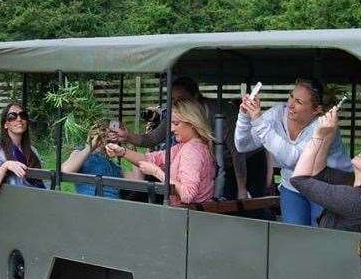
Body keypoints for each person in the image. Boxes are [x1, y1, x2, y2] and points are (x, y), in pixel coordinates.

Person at [109, 77, 256, 200]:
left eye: (181, 99)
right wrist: (123, 145)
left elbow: (238, 152)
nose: (171, 128)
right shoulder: (182, 137)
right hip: (203, 171)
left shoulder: (219, 115)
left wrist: (242, 189)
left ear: (195, 98)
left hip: (239, 164)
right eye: (173, 99)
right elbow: (152, 142)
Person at [235, 79, 352, 226]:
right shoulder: (277, 114)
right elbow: (242, 145)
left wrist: (258, 121)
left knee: (320, 236)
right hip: (293, 186)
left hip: (327, 187)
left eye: (299, 102)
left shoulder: (324, 125)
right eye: (291, 96)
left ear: (316, 110)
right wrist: (244, 116)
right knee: (294, 237)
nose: (290, 104)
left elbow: (292, 158)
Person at [106, 98, 215, 206]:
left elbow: (187, 195)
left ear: (192, 123)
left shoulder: (192, 151)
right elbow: (151, 159)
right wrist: (122, 152)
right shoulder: (186, 146)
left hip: (189, 215)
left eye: (176, 124)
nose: (171, 129)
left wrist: (156, 172)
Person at [0, 102, 46, 198]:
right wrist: (5, 166)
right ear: (5, 124)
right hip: (11, 203)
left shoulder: (33, 151)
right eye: (12, 116)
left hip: (34, 201)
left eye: (22, 115)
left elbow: (44, 183)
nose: (19, 119)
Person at [61, 120, 123, 198]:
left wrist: (129, 146)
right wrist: (92, 146)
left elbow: (137, 180)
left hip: (114, 206)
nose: (107, 139)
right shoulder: (80, 154)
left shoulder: (114, 165)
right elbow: (66, 170)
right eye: (105, 135)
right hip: (91, 204)